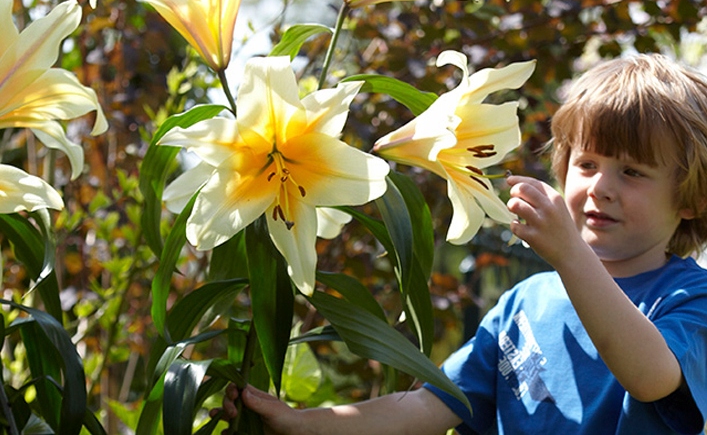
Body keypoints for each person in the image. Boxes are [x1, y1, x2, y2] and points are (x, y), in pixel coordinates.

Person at [215, 54, 707, 434]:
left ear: (690, 198)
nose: (600, 186)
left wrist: (571, 256)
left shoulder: (691, 298)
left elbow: (651, 377)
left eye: (633, 171)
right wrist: (302, 422)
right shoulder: (524, 302)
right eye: (586, 164)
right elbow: (429, 406)